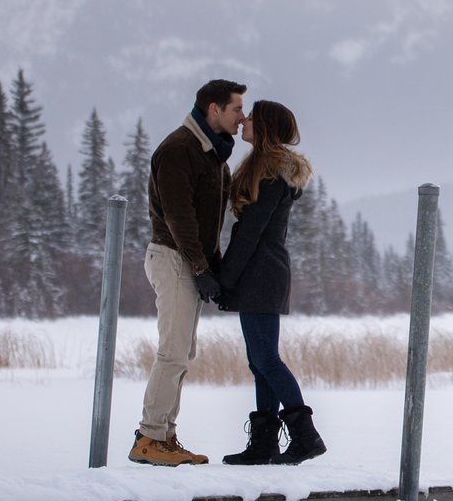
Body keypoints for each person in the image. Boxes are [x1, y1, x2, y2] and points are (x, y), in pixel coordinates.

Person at [129, 77, 247, 467]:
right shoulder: (179, 149)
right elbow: (179, 218)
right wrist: (200, 267)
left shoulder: (212, 155)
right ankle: (149, 437)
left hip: (187, 259)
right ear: (214, 109)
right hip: (173, 257)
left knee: (183, 352)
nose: (241, 116)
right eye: (235, 109)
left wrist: (213, 267)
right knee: (173, 352)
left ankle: (164, 435)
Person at [214, 99, 327, 465]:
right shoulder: (264, 169)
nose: (243, 120)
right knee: (259, 361)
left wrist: (223, 279)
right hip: (261, 274)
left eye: (251, 117)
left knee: (266, 359)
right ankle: (264, 443)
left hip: (261, 275)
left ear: (264, 128)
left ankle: (305, 436)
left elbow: (250, 234)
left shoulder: (270, 173)